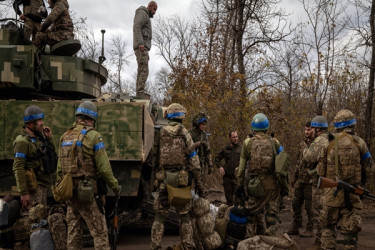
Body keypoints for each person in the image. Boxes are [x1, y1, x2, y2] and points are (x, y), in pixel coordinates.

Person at [56, 101, 120, 249]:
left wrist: (63, 190)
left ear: (78, 116)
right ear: (92, 119)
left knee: (73, 232)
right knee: (100, 233)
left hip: (70, 191)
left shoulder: (65, 136)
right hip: (88, 191)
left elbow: (60, 168)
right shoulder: (93, 136)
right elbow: (104, 168)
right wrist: (115, 186)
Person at [151, 103, 204, 250]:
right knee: (184, 214)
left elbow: (155, 157)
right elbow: (194, 162)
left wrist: (155, 178)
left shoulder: (160, 132)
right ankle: (188, 246)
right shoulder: (185, 133)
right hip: (181, 180)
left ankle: (155, 246)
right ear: (181, 117)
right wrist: (199, 184)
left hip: (164, 180)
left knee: (160, 215)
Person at [317, 110, 371, 250]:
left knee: (328, 229)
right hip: (353, 195)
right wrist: (361, 183)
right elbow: (370, 169)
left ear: (337, 125)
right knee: (350, 235)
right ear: (352, 124)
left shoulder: (328, 142)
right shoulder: (360, 142)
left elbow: (320, 172)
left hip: (331, 196)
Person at [235, 113, 283, 237]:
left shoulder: (247, 143)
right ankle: (270, 241)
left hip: (255, 186)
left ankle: (249, 241)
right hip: (272, 186)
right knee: (271, 216)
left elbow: (241, 169)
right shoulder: (275, 143)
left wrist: (240, 185)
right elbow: (283, 165)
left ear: (253, 128)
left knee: (251, 215)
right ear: (267, 128)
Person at [13, 105, 54, 209]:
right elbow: (18, 167)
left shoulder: (38, 138)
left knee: (40, 221)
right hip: (32, 188)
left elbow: (51, 154)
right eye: (39, 120)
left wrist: (49, 139)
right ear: (31, 123)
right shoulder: (22, 141)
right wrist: (24, 192)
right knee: (31, 220)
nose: (42, 123)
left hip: (41, 185)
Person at [304, 115, 330, 248]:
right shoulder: (332, 138)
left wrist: (306, 148)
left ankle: (320, 241)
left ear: (317, 129)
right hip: (331, 182)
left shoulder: (319, 141)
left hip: (321, 183)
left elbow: (309, 157)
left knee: (320, 212)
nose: (311, 131)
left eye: (312, 128)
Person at [288, 121, 315, 237]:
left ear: (314, 130)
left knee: (309, 206)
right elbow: (299, 162)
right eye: (305, 129)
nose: (306, 132)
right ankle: (295, 226)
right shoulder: (302, 144)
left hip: (310, 180)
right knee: (295, 203)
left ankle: (310, 228)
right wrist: (295, 177)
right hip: (300, 179)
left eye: (309, 130)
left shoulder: (317, 144)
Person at [133, 1, 158, 97]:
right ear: (150, 6)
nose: (155, 12)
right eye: (154, 9)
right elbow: (137, 27)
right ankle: (140, 93)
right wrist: (140, 43)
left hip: (143, 48)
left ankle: (139, 92)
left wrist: (146, 50)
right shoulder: (142, 13)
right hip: (141, 47)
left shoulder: (145, 15)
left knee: (142, 69)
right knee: (144, 70)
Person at [215, 130, 242, 206]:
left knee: (239, 200)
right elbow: (217, 158)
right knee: (229, 201)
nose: (236, 138)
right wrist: (220, 167)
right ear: (230, 138)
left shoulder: (242, 149)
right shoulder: (225, 149)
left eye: (236, 137)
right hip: (227, 178)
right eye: (233, 137)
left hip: (238, 178)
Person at [190, 112, 213, 183]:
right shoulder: (191, 133)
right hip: (192, 162)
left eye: (204, 125)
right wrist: (197, 144)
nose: (203, 126)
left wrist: (210, 165)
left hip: (201, 162)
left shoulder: (204, 135)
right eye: (202, 124)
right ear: (197, 124)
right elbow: (188, 148)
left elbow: (208, 151)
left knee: (201, 182)